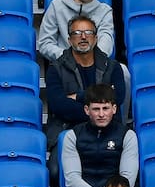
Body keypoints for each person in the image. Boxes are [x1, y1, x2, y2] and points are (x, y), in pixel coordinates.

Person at [53, 83, 140, 187]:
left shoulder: (128, 135)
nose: (101, 114)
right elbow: (72, 178)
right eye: (96, 109)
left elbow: (127, 179)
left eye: (105, 108)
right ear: (87, 110)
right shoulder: (72, 136)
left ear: (114, 109)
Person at [44, 15, 126, 156]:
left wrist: (79, 96)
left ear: (96, 38)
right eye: (77, 33)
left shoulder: (112, 67)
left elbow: (117, 98)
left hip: (107, 131)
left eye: (88, 32)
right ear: (69, 40)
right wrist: (99, 109)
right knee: (55, 171)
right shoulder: (55, 69)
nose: (83, 37)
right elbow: (59, 105)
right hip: (68, 129)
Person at [37, 0, 115, 63]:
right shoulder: (56, 6)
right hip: (64, 63)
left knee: (123, 71)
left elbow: (106, 40)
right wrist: (68, 57)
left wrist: (90, 60)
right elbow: (45, 43)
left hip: (96, 63)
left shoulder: (105, 10)